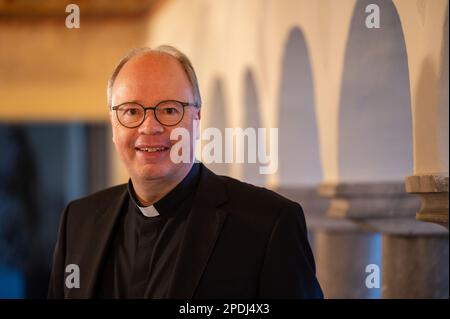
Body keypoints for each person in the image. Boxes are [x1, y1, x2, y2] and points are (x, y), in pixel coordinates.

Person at [48, 46, 323, 299]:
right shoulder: (78, 221)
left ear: (197, 117)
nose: (149, 127)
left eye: (169, 110)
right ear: (113, 123)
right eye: (131, 111)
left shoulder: (268, 223)